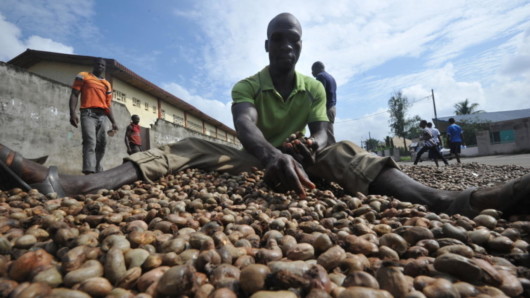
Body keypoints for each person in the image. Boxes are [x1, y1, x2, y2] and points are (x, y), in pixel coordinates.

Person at [1, 13, 529, 218]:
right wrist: (272, 154)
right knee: (185, 147)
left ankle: (451, 199)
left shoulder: (313, 86)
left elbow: (322, 130)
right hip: (258, 159)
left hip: (300, 163)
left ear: (300, 47)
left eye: (293, 41)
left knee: (343, 151)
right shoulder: (247, 84)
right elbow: (245, 127)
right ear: (267, 45)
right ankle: (66, 183)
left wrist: (308, 149)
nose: (286, 48)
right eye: (278, 41)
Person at [69, 58, 118, 174]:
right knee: (90, 141)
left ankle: (98, 170)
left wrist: (114, 122)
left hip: (103, 116)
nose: (100, 66)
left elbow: (108, 105)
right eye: (98, 64)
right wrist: (72, 112)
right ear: (93, 65)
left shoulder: (107, 84)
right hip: (88, 114)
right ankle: (88, 171)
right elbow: (75, 94)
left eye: (102, 65)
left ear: (104, 67)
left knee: (102, 143)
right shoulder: (83, 76)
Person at [311, 61, 337, 146]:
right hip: (332, 108)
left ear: (317, 68)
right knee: (329, 133)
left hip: (325, 109)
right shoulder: (331, 78)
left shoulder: (320, 76)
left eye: (313, 70)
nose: (312, 73)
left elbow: (319, 94)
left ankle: (334, 155)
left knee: (326, 135)